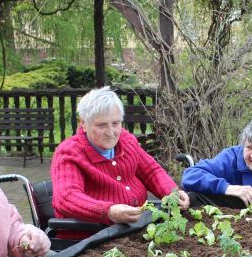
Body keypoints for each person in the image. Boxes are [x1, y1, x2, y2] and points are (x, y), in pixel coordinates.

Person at [51, 87, 189, 235]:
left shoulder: (126, 140)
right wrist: (108, 211)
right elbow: (66, 198)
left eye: (115, 123)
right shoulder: (69, 153)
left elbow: (151, 172)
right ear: (83, 123)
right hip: (90, 237)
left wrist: (172, 192)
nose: (111, 132)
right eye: (101, 125)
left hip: (133, 229)